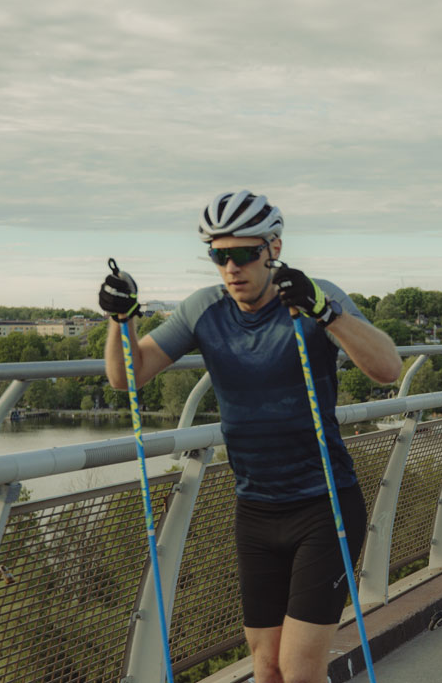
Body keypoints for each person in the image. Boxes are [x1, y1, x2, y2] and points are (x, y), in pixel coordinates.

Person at [99, 189, 402, 683]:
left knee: (300, 669)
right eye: (219, 256)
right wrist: (120, 320)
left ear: (273, 249)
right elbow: (127, 377)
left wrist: (328, 312)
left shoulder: (315, 294)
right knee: (267, 670)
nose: (231, 267)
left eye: (243, 254)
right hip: (256, 510)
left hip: (324, 504)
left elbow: (388, 368)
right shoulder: (204, 308)